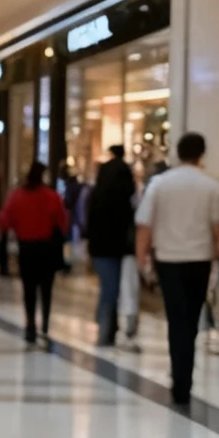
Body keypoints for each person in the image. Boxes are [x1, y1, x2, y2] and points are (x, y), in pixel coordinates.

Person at [135, 131, 219, 407]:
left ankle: (180, 379)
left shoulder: (160, 184)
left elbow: (144, 225)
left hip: (168, 259)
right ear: (202, 154)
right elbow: (217, 227)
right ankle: (184, 375)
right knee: (192, 318)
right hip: (199, 259)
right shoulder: (210, 186)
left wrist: (142, 258)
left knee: (176, 318)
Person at [0, 162, 70, 345]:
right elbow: (62, 221)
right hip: (47, 249)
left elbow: (5, 220)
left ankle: (30, 324)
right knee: (46, 289)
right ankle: (44, 325)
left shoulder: (18, 196)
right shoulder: (51, 197)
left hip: (27, 248)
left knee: (28, 289)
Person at [85, 144, 137, 346]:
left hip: (101, 249)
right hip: (119, 248)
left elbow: (90, 225)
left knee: (109, 288)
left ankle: (106, 327)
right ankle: (106, 330)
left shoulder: (97, 197)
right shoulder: (124, 201)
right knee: (114, 289)